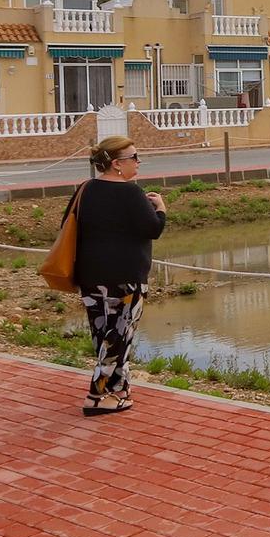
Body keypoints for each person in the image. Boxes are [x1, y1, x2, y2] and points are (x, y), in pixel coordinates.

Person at [69, 135, 167, 415]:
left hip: (91, 277)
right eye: (134, 157)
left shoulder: (85, 189)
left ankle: (119, 392)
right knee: (119, 338)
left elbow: (70, 225)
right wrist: (160, 208)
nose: (138, 162)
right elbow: (152, 229)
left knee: (105, 336)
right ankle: (96, 395)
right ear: (116, 164)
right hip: (125, 279)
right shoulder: (131, 193)